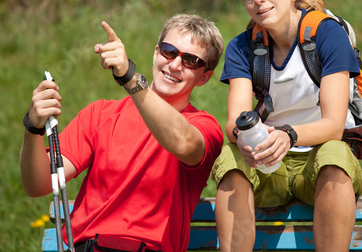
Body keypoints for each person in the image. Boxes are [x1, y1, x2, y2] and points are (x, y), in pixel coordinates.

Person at [20, 14, 225, 252]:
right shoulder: (99, 114)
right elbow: (38, 185)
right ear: (156, 52)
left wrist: (130, 79)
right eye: (169, 51)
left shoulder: (204, 127)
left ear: (204, 77)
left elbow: (182, 143)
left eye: (191, 61)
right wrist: (33, 128)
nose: (175, 65)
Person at [211, 0, 362, 252]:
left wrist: (288, 135)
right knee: (230, 157)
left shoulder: (327, 34)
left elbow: (334, 126)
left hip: (320, 162)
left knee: (335, 152)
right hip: (267, 162)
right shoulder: (242, 46)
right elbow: (234, 121)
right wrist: (243, 139)